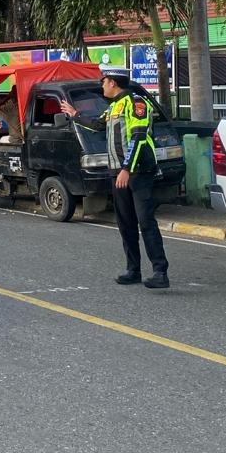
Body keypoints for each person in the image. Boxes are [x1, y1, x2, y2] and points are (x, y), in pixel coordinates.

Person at [62, 69, 170, 289]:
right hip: (118, 172)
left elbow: (139, 137)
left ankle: (160, 272)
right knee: (125, 223)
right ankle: (133, 270)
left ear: (112, 82)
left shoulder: (136, 103)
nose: (102, 86)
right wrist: (74, 114)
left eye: (104, 82)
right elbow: (97, 125)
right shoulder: (114, 106)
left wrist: (127, 169)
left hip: (139, 171)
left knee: (145, 221)